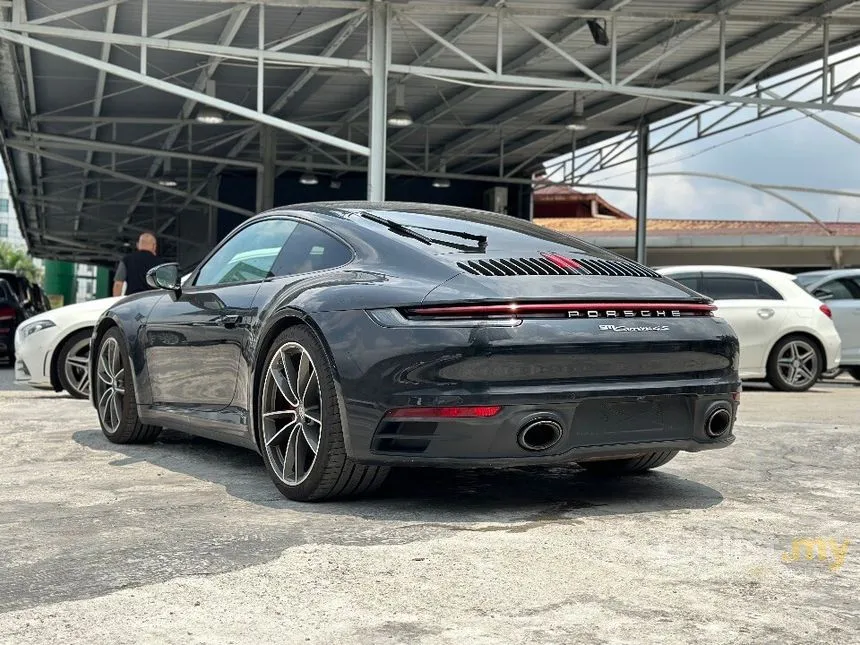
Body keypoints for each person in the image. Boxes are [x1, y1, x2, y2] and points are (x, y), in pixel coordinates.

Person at [113, 232, 162, 296]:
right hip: (152, 301)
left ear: (138, 245)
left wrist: (117, 302)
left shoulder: (127, 260)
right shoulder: (160, 263)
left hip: (132, 301)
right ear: (154, 246)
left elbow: (118, 284)